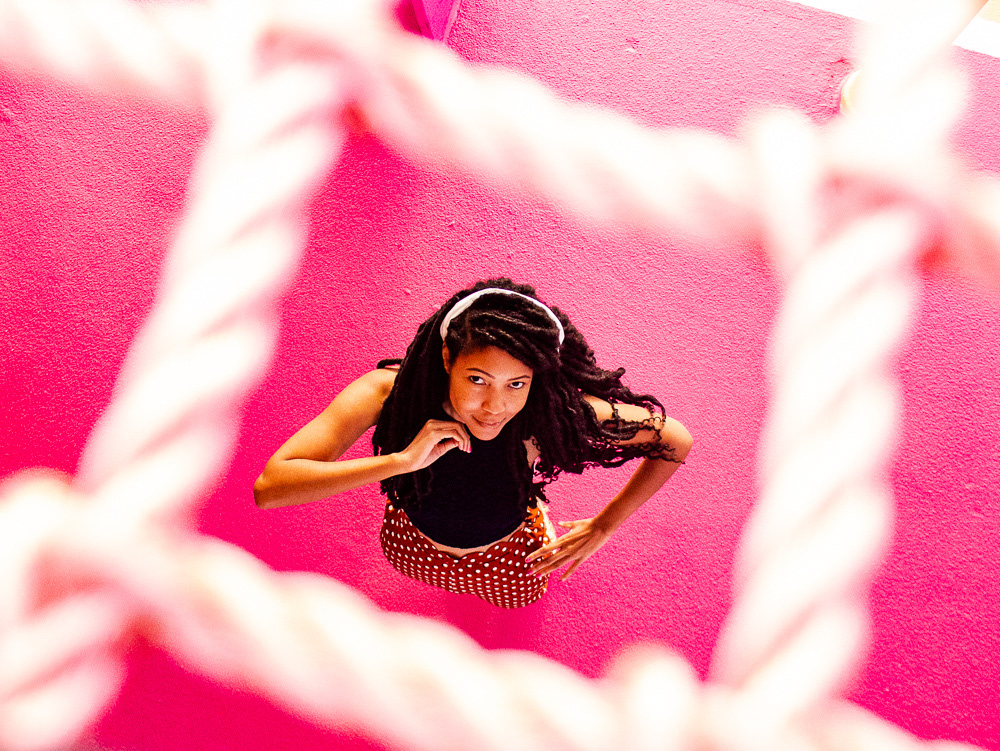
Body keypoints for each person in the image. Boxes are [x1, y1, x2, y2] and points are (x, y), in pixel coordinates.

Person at [254, 279, 692, 608]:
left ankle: (536, 511)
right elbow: (271, 487)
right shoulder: (387, 394)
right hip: (411, 547)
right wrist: (400, 462)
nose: (493, 406)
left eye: (516, 383)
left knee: (517, 600)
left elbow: (674, 439)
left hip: (514, 558)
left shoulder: (544, 416)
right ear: (448, 358)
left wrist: (606, 523)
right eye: (477, 379)